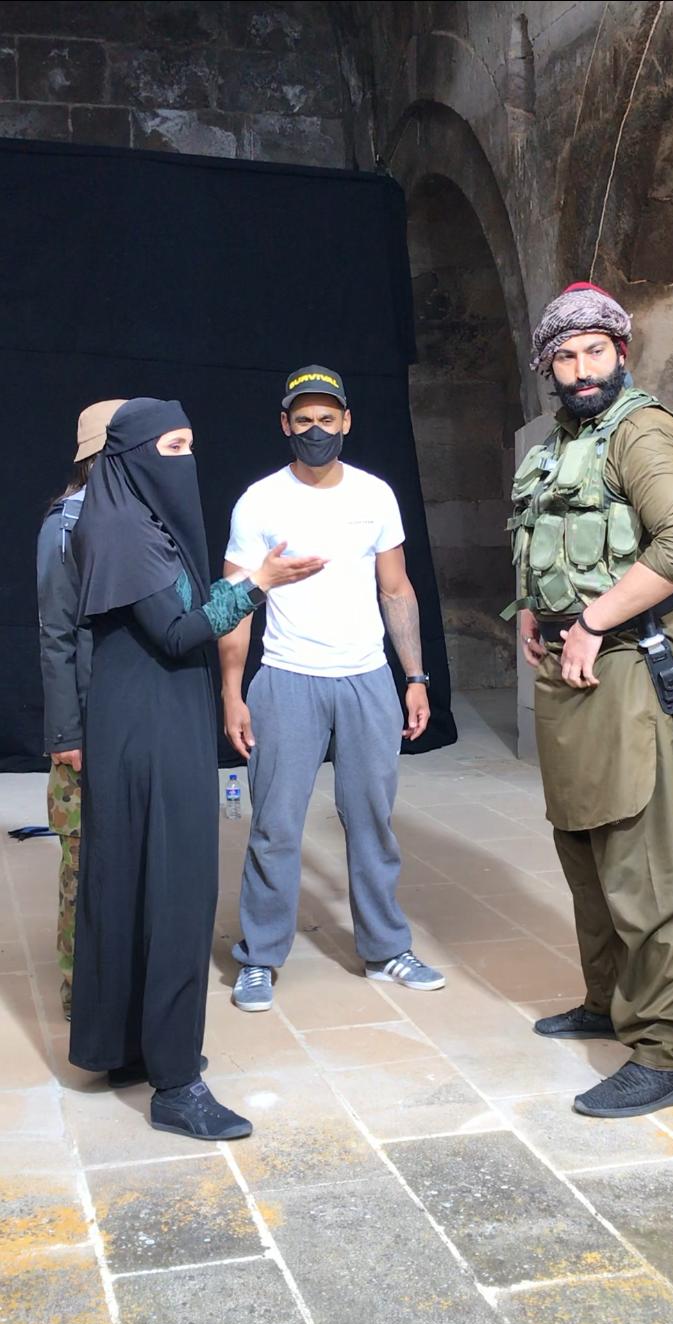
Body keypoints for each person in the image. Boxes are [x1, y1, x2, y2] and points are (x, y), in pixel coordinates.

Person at [69, 397, 324, 1139]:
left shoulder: (137, 521)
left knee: (135, 887)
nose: (188, 460)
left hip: (146, 724)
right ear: (133, 455)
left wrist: (248, 584)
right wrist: (259, 584)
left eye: (190, 445)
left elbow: (179, 611)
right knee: (176, 895)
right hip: (149, 733)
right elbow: (180, 633)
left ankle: (128, 1048)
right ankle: (176, 1084)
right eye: (174, 447)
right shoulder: (122, 530)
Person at [503, 282, 673, 1118]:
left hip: (626, 662)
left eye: (596, 350)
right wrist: (534, 608)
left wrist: (590, 621)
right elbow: (548, 537)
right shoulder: (559, 441)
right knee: (583, 847)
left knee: (638, 860)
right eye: (566, 355)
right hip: (569, 669)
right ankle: (607, 1002)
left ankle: (663, 1054)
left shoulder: (640, 430)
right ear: (548, 366)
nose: (582, 368)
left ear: (621, 352)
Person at [219, 365, 445, 1013]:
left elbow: (396, 589)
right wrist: (232, 691)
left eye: (327, 418)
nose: (315, 430)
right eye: (303, 420)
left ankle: (385, 948)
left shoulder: (375, 495)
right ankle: (260, 957)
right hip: (288, 677)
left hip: (367, 678)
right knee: (275, 825)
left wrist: (415, 677)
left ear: (347, 421)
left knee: (372, 820)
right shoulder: (260, 501)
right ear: (284, 425)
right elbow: (233, 602)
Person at [37, 399, 126, 1020]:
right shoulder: (66, 525)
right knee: (84, 864)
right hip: (87, 727)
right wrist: (67, 732)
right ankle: (80, 998)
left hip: (129, 722)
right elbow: (56, 636)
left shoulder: (141, 517)